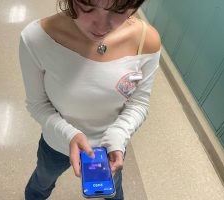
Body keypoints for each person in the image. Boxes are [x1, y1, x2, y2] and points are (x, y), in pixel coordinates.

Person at [19, 0, 161, 199]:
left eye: (119, 10)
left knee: (114, 191)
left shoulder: (146, 40)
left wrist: (118, 135)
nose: (102, 26)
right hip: (57, 142)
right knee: (41, 183)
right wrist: (68, 135)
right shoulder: (36, 38)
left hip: (110, 146)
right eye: (87, 7)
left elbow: (138, 103)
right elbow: (37, 104)